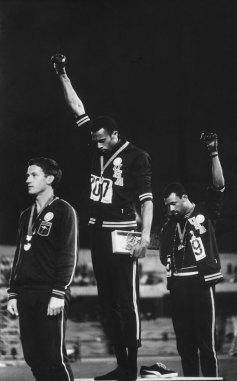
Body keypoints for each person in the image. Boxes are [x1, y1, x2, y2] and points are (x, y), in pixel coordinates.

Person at [51, 53, 153, 381]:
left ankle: (132, 368)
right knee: (106, 300)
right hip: (97, 231)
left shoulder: (137, 158)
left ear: (114, 135)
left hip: (124, 232)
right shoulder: (97, 145)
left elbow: (147, 201)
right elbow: (77, 107)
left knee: (126, 300)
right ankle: (121, 366)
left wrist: (146, 235)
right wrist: (63, 74)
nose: (96, 145)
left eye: (101, 140)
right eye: (94, 140)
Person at [158, 133, 225, 377]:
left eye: (174, 203)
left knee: (205, 346)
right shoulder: (168, 226)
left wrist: (213, 153)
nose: (170, 208)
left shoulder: (205, 211)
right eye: (166, 205)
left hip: (200, 283)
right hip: (177, 286)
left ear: (185, 197)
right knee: (185, 348)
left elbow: (218, 186)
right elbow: (160, 250)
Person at [7, 157, 78, 381]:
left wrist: (59, 292)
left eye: (34, 175)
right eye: (27, 175)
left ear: (49, 178)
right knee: (33, 357)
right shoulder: (25, 215)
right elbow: (18, 256)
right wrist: (13, 293)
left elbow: (69, 255)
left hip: (50, 293)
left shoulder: (64, 210)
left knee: (53, 358)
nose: (27, 179)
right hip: (26, 294)